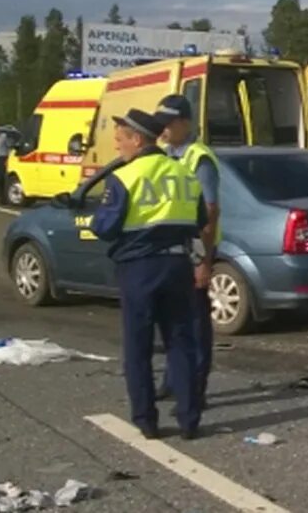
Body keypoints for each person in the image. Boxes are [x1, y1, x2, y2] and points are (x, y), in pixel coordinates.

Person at [91, 109, 206, 440]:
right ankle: (189, 420)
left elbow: (106, 228)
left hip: (140, 267)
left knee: (138, 347)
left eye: (120, 140)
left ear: (137, 139)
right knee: (181, 343)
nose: (117, 148)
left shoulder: (126, 177)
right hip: (178, 265)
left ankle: (147, 421)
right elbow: (198, 218)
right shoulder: (183, 174)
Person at [154, 94, 220, 409]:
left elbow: (210, 210)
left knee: (195, 321)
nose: (163, 128)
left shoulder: (199, 157)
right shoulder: (167, 153)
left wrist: (204, 260)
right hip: (171, 247)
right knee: (171, 318)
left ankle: (196, 387)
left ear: (184, 123)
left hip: (195, 246)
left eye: (168, 122)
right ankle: (173, 379)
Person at [0, 126, 8, 204]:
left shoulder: (4, 136)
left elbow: (10, 145)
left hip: (2, 158)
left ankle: (2, 198)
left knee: (0, 178)